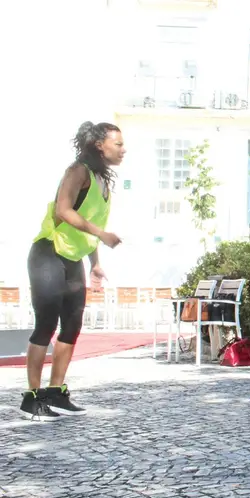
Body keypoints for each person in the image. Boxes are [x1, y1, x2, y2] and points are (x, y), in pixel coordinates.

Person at [21, 121, 125, 421]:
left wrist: (95, 263)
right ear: (99, 145)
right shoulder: (77, 170)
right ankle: (32, 397)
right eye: (117, 144)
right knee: (46, 323)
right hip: (48, 252)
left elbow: (89, 225)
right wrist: (102, 236)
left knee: (72, 325)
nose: (123, 149)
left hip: (72, 258)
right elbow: (63, 211)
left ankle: (55, 391)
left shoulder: (101, 181)